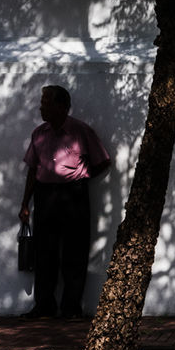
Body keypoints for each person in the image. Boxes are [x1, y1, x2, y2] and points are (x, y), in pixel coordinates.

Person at [18, 84, 111, 319]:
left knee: (75, 251)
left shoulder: (81, 131)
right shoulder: (39, 134)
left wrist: (81, 176)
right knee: (44, 252)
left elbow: (102, 161)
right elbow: (32, 169)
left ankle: (71, 308)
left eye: (46, 103)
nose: (41, 108)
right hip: (45, 194)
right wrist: (25, 204)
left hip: (74, 194)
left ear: (62, 106)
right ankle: (44, 306)